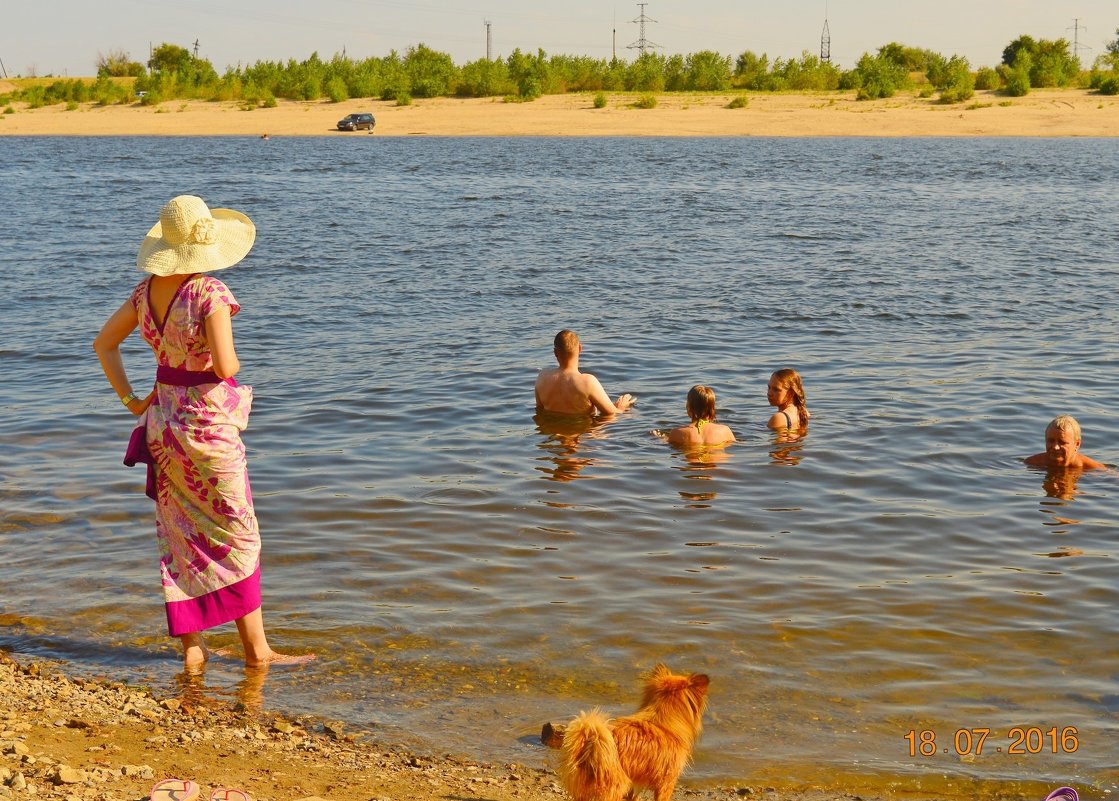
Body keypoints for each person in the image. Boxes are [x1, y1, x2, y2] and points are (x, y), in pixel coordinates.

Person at [93, 195, 313, 670]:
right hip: (207, 427)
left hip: (163, 426)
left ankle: (193, 649)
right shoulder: (209, 292)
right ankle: (257, 652)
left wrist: (132, 400)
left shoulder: (144, 291)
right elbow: (227, 364)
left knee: (179, 534)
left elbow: (103, 344)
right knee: (240, 533)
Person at [535, 329, 635, 416]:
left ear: (555, 352)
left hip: (554, 435)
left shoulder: (542, 377)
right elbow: (612, 413)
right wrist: (620, 407)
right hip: (580, 434)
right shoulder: (587, 382)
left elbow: (539, 411)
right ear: (580, 348)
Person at [652, 385, 736, 447]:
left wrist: (658, 438)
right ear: (712, 408)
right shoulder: (725, 431)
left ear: (689, 407)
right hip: (718, 469)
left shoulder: (677, 432)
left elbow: (669, 446)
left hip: (692, 468)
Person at [1025, 415, 1106, 470]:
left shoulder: (1094, 470)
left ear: (1077, 444)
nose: (1055, 447)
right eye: (1051, 441)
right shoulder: (1033, 463)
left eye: (1062, 442)